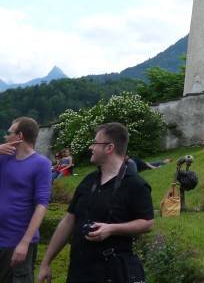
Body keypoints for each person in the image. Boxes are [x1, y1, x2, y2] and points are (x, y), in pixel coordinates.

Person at [37, 122, 153, 283]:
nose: (91, 147)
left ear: (109, 148)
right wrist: (46, 262)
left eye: (94, 143)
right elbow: (68, 221)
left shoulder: (135, 184)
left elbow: (148, 223)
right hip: (79, 272)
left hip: (111, 274)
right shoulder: (88, 181)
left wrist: (112, 229)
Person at [0, 117, 51, 283]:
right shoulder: (4, 159)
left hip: (18, 242)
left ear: (19, 136)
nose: (5, 137)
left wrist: (25, 243)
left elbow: (41, 205)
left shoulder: (41, 163)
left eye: (9, 133)